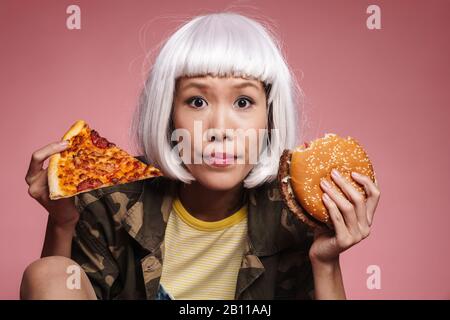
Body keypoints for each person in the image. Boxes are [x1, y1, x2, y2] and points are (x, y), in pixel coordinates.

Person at [21, 12, 380, 300]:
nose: (220, 127)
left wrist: (326, 260)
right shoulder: (113, 204)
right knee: (45, 271)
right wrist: (62, 222)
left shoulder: (294, 216)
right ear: (168, 113)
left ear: (269, 118)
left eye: (243, 102)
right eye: (197, 101)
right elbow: (57, 286)